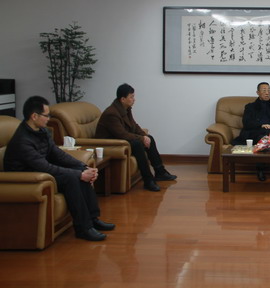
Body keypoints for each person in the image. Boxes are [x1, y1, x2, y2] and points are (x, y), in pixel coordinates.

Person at [4, 96, 115, 241]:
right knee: (73, 178)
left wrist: (83, 166)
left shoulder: (41, 131)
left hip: (42, 173)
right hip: (28, 179)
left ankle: (93, 219)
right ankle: (83, 228)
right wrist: (79, 174)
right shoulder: (22, 141)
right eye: (46, 115)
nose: (49, 118)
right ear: (34, 116)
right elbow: (44, 166)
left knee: (80, 173)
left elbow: (57, 154)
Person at [95, 83, 176, 192]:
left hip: (121, 141)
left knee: (150, 138)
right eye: (131, 97)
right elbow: (122, 134)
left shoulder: (126, 108)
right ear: (123, 99)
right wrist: (141, 139)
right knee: (137, 143)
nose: (134, 99)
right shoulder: (111, 113)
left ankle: (160, 172)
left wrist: (144, 136)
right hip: (111, 144)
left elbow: (134, 126)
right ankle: (148, 180)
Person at [232, 82, 270, 181]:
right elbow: (246, 122)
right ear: (258, 92)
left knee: (266, 134)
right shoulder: (250, 107)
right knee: (265, 134)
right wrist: (261, 125)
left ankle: (260, 169)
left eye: (269, 90)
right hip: (254, 132)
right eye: (264, 90)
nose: (267, 93)